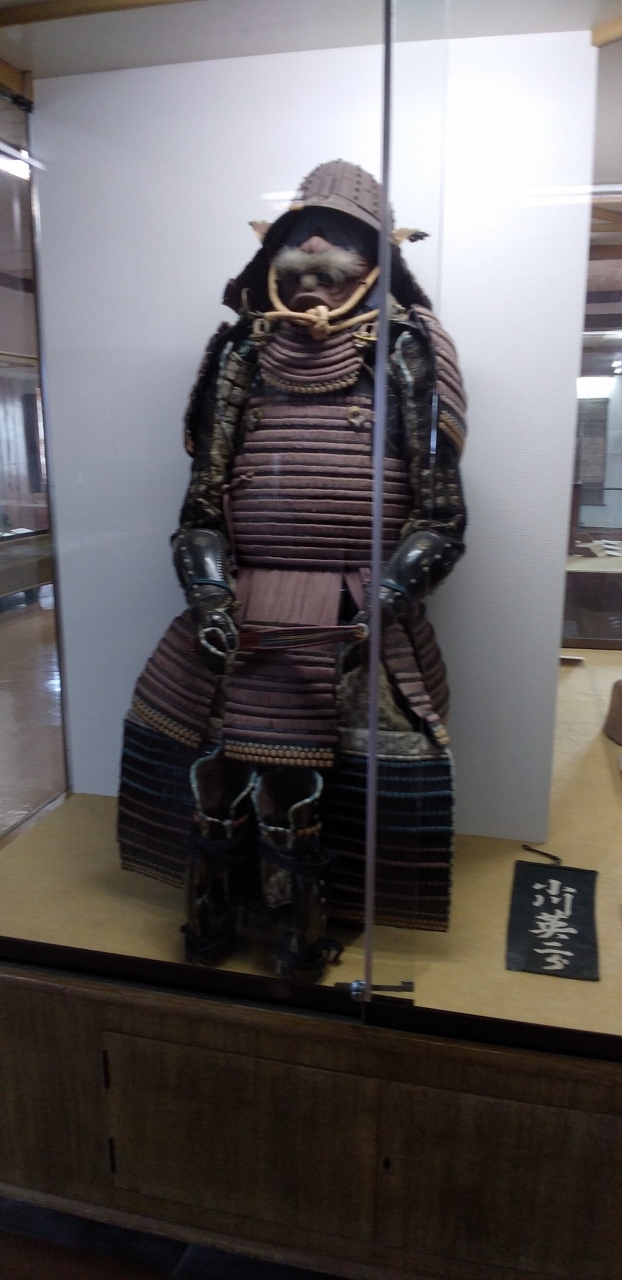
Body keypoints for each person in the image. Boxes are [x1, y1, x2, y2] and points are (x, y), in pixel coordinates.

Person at [118, 160, 467, 982]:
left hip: (358, 609)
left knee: (344, 782)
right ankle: (218, 918)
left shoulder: (408, 348)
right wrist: (209, 593)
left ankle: (302, 932)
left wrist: (387, 598)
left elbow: (439, 517)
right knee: (214, 770)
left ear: (378, 255)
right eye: (299, 235)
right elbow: (202, 508)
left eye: (336, 236)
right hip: (242, 606)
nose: (313, 250)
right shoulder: (241, 349)